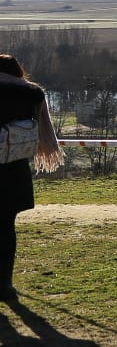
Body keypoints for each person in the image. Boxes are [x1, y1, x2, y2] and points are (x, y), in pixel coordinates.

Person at [0, 54, 64, 300]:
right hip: (14, 172)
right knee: (6, 229)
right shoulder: (33, 94)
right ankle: (4, 285)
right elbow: (42, 134)